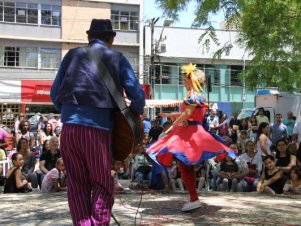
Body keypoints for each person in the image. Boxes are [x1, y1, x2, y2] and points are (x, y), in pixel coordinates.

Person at [50, 19, 145, 225]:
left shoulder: (72, 55)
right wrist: (130, 117)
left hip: (69, 131)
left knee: (76, 186)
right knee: (102, 185)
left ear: (89, 37)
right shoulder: (117, 58)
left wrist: (67, 111)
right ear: (111, 39)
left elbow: (54, 93)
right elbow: (137, 96)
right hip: (98, 132)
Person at [147, 63, 235, 212]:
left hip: (191, 134)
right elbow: (188, 113)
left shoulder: (194, 95)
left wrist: (174, 125)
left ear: (192, 80)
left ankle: (194, 198)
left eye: (185, 80)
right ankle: (193, 197)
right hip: (191, 132)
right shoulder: (194, 96)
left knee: (185, 166)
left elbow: (188, 114)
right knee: (185, 166)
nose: (183, 82)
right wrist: (170, 115)